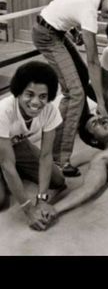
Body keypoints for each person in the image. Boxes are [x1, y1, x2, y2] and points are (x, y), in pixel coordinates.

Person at [32, 0, 108, 176]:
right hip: (47, 36)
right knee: (75, 93)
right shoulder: (90, 10)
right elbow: (92, 60)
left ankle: (78, 125)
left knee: (80, 79)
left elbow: (64, 4)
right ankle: (59, 158)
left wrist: (73, 31)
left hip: (56, 31)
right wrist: (100, 103)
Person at [0, 61, 66, 230]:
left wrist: (42, 199)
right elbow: (7, 163)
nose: (36, 102)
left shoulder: (51, 110)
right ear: (18, 92)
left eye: (43, 96)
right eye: (29, 94)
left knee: (57, 180)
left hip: (15, 144)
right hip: (4, 149)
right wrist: (29, 209)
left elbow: (46, 155)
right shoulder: (3, 111)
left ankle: (16, 172)